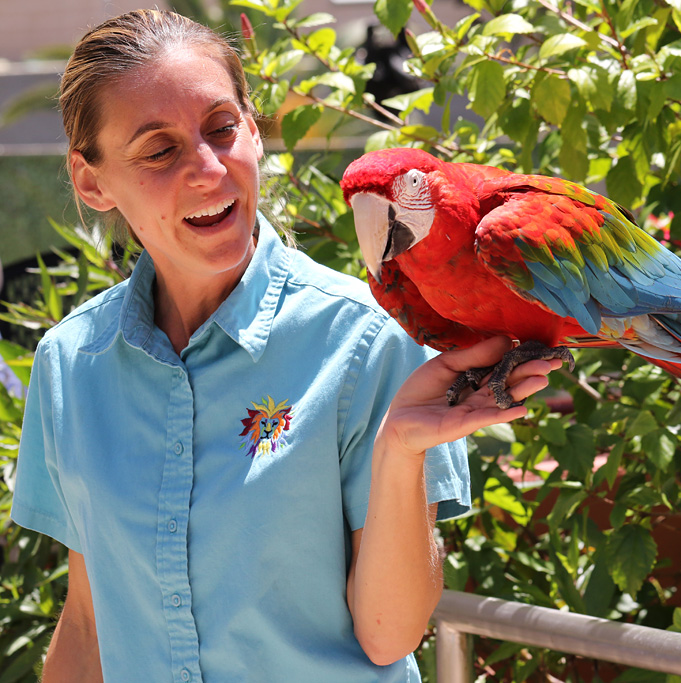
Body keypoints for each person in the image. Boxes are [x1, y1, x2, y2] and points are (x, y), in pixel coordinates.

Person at [10, 9, 560, 682]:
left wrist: (398, 452)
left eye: (222, 128)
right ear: (91, 181)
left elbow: (389, 636)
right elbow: (90, 623)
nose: (208, 168)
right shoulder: (72, 363)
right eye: (159, 151)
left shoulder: (371, 337)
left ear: (254, 130)